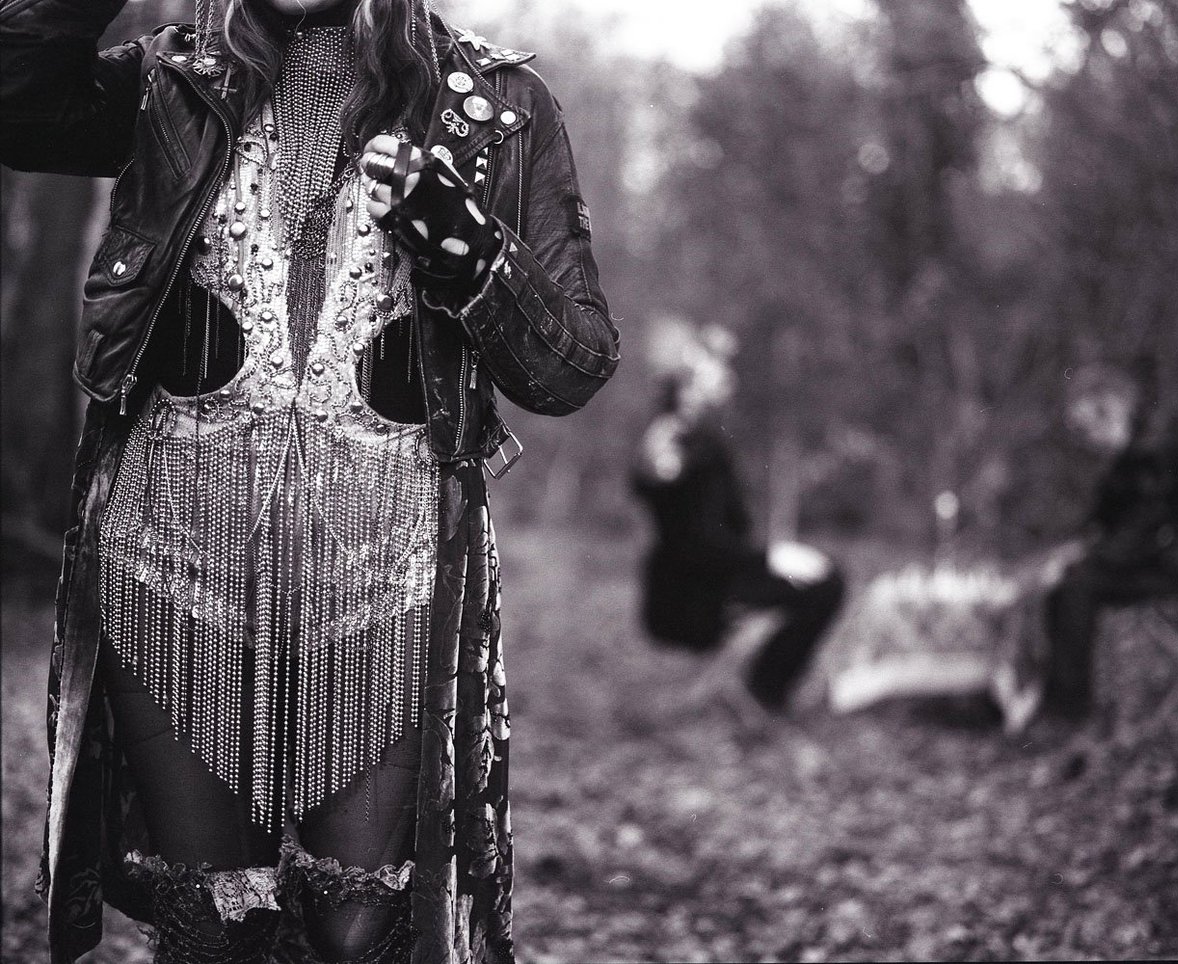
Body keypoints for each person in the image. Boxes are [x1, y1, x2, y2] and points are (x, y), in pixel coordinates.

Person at [1, 0, 618, 959]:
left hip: (390, 566)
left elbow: (572, 365)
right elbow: (14, 90)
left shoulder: (498, 106)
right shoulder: (171, 80)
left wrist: (463, 243)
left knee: (358, 921)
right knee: (210, 923)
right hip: (173, 555)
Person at [630, 323, 843, 712]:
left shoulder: (690, 438)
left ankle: (765, 687)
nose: (729, 379)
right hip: (695, 597)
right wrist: (772, 558)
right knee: (827, 583)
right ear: (690, 385)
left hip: (691, 585)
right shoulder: (679, 443)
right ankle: (764, 691)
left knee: (824, 575)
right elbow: (696, 542)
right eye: (718, 370)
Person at [1042, 370, 1178, 719]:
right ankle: (1051, 700)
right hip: (1156, 555)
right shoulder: (1128, 457)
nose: (1085, 441)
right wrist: (1074, 550)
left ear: (1113, 408)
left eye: (1087, 428)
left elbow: (1144, 529)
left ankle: (1069, 709)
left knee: (1077, 588)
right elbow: (1104, 521)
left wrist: (1086, 559)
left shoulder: (1158, 450)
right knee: (1061, 588)